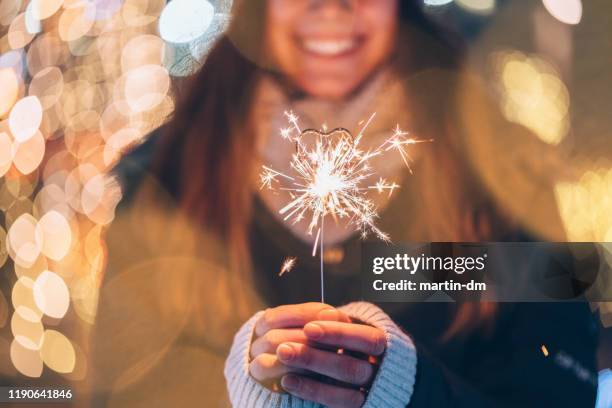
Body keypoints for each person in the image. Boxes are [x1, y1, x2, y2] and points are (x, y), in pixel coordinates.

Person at [90, 1, 599, 407]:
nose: (331, 8)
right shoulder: (167, 175)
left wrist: (406, 389)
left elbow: (558, 391)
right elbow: (125, 390)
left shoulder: (503, 170)